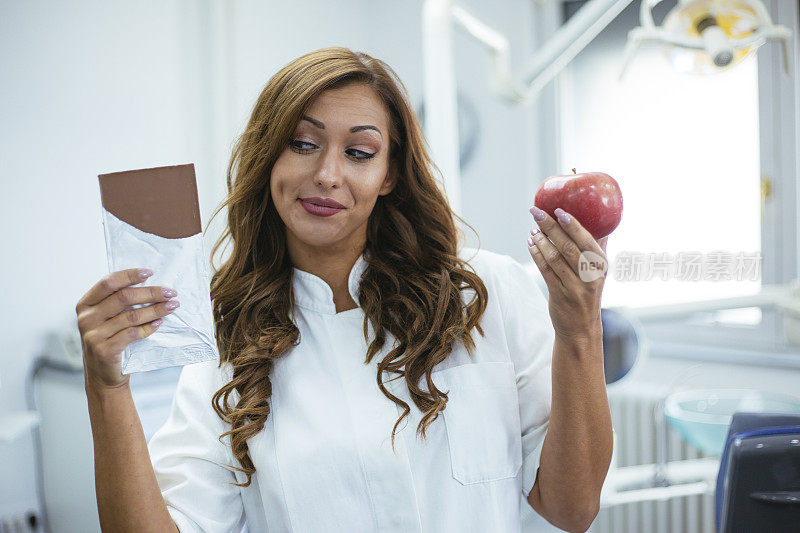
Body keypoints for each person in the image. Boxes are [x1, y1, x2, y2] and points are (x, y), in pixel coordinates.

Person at [76, 46, 613, 533]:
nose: (327, 174)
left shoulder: (486, 291)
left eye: (359, 152)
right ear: (269, 160)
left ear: (389, 174)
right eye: (303, 144)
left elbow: (572, 507)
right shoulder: (227, 342)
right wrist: (107, 389)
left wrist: (580, 330)